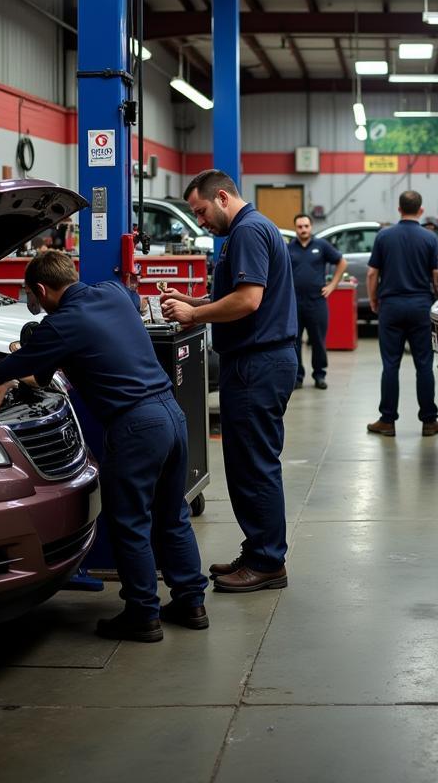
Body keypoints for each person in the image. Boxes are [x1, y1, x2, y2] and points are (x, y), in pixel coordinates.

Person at [0, 250, 208, 643]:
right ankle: (191, 603)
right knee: (172, 516)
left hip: (136, 427)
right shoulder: (115, 292)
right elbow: (48, 371)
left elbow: (9, 372)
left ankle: (142, 614)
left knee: (131, 523)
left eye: (33, 296)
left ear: (40, 289)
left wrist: (0, 381)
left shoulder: (61, 322)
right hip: (172, 415)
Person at [160, 170, 297, 593]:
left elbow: (248, 300)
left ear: (222, 197)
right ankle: (258, 549)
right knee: (245, 465)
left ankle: (269, 562)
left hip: (258, 364)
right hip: (256, 361)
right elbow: (235, 294)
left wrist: (194, 316)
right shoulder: (247, 232)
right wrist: (192, 301)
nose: (200, 221)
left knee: (254, 466)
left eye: (200, 211)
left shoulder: (248, 232)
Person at [365, 189, 438, 438]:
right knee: (424, 365)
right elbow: (436, 276)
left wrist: (375, 300)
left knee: (390, 365)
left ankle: (387, 421)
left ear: (399, 209)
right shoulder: (430, 238)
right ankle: (429, 422)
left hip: (391, 306)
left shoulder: (384, 236)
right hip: (421, 306)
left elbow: (371, 273)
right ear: (420, 210)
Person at [288, 212, 347, 390]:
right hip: (295, 303)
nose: (303, 229)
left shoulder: (321, 245)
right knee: (294, 341)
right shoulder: (289, 248)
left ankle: (319, 375)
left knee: (318, 341)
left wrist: (332, 285)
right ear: (295, 228)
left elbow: (342, 262)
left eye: (306, 226)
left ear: (311, 227)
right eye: (300, 227)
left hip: (317, 302)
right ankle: (298, 377)